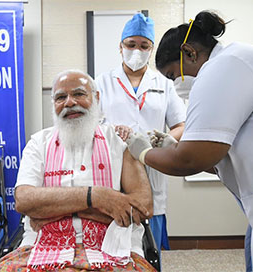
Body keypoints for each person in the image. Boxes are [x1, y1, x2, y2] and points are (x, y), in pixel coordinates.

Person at [126, 10, 253, 272]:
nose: (176, 85)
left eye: (173, 75)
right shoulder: (235, 63)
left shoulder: (223, 67)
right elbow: (218, 156)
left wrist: (143, 152)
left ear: (190, 53)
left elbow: (189, 160)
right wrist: (171, 147)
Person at [0, 70, 156, 271]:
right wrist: (97, 197)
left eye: (79, 94)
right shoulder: (38, 144)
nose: (69, 102)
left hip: (113, 245)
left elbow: (143, 206)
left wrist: (56, 210)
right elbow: (24, 200)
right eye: (61, 97)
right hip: (44, 244)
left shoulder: (120, 141)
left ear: (96, 98)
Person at [95, 12, 186, 255]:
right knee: (113, 245)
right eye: (131, 44)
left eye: (144, 46)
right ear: (120, 46)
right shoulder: (101, 83)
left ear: (151, 49)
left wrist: (165, 140)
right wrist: (111, 132)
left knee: (149, 245)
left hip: (152, 167)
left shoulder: (165, 84)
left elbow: (181, 125)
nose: (137, 50)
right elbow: (91, 126)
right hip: (113, 169)